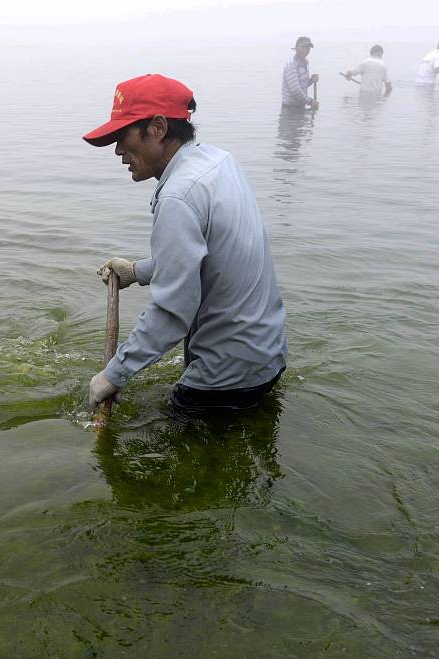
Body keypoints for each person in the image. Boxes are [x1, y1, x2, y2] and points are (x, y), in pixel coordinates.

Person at [83, 74, 288, 417]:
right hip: (266, 357)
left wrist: (114, 374)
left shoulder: (178, 195)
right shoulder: (220, 163)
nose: (118, 150)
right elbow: (211, 258)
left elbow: (173, 309)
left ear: (159, 128)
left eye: (123, 136)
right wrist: (136, 271)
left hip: (223, 381)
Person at [282, 36, 319, 110]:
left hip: (300, 107)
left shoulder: (305, 63)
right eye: (303, 47)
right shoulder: (291, 65)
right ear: (296, 48)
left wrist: (311, 81)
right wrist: (310, 101)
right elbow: (295, 90)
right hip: (289, 110)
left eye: (308, 48)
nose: (306, 50)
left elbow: (302, 85)